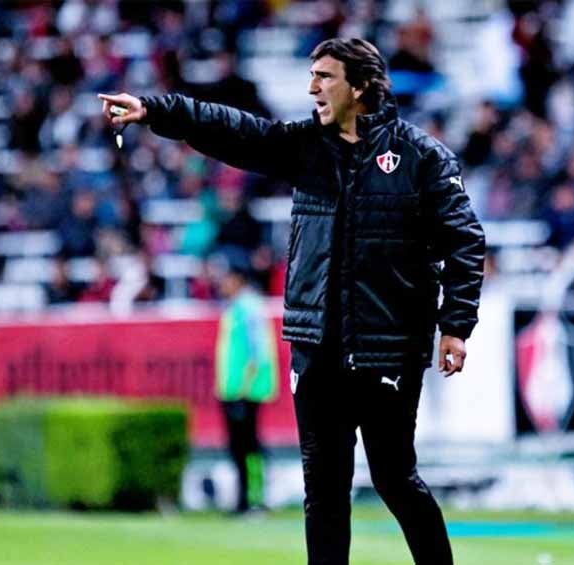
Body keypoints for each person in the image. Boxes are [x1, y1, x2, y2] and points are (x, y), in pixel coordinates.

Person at [99, 37, 485, 565]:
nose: (312, 87)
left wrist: (455, 326)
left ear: (362, 86)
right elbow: (233, 130)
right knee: (323, 491)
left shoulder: (423, 158)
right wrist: (155, 110)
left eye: (325, 77)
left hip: (387, 349)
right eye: (312, 76)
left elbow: (466, 240)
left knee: (395, 480)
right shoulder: (305, 147)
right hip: (316, 348)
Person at [212, 251, 277, 514]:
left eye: (226, 277)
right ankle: (243, 500)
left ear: (237, 278)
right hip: (234, 390)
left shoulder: (248, 307)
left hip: (244, 391)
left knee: (248, 447)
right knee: (240, 447)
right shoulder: (237, 306)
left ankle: (254, 499)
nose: (222, 282)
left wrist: (243, 387)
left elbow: (257, 352)